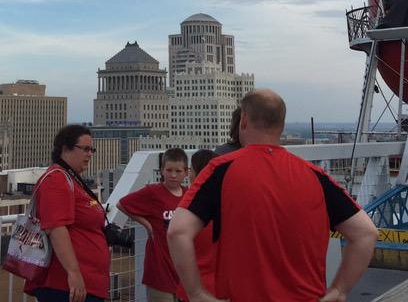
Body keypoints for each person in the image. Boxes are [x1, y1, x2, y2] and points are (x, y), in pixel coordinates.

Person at [168, 89, 378, 302]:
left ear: (244, 121)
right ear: (281, 126)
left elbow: (177, 232)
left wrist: (196, 293)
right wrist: (340, 290)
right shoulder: (315, 176)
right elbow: (366, 233)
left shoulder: (221, 170)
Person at [24, 124, 110, 302]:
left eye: (92, 149)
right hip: (65, 287)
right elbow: (56, 228)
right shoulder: (56, 179)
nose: (90, 154)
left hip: (84, 285)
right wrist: (74, 273)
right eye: (85, 149)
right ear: (66, 149)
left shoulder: (71, 180)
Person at [117, 148, 188, 302]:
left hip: (182, 272)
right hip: (160, 270)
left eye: (178, 171)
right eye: (169, 170)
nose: (173, 175)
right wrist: (147, 224)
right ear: (162, 170)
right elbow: (122, 204)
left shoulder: (188, 195)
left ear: (186, 172)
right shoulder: (154, 192)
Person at [179, 149, 217, 301]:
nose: (188, 174)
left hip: (193, 289)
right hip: (224, 288)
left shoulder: (189, 209)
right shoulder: (228, 205)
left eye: (191, 170)